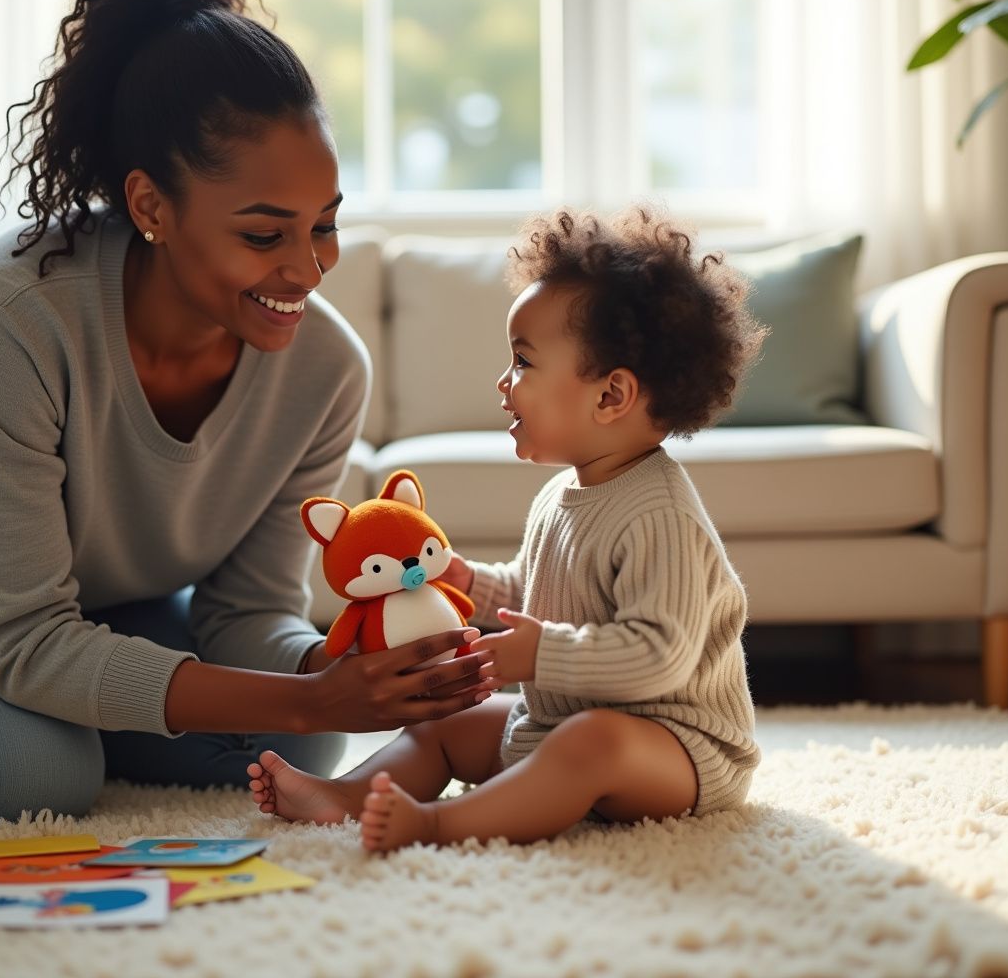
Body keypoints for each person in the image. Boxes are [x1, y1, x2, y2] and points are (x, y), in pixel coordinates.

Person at [0, 0, 494, 821]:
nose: (309, 268)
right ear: (151, 206)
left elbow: (248, 611)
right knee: (30, 780)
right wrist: (304, 698)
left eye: (324, 224)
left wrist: (335, 673)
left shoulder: (326, 372)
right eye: (264, 235)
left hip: (88, 606)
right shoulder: (12, 315)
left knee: (298, 744)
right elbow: (27, 640)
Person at [247, 206, 769, 851]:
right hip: (559, 720)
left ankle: (438, 824)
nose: (503, 383)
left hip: (677, 749)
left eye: (522, 362)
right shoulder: (563, 492)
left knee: (589, 743)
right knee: (447, 720)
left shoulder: (660, 515)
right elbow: (536, 592)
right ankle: (346, 796)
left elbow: (658, 656)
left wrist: (539, 654)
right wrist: (471, 581)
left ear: (611, 397)